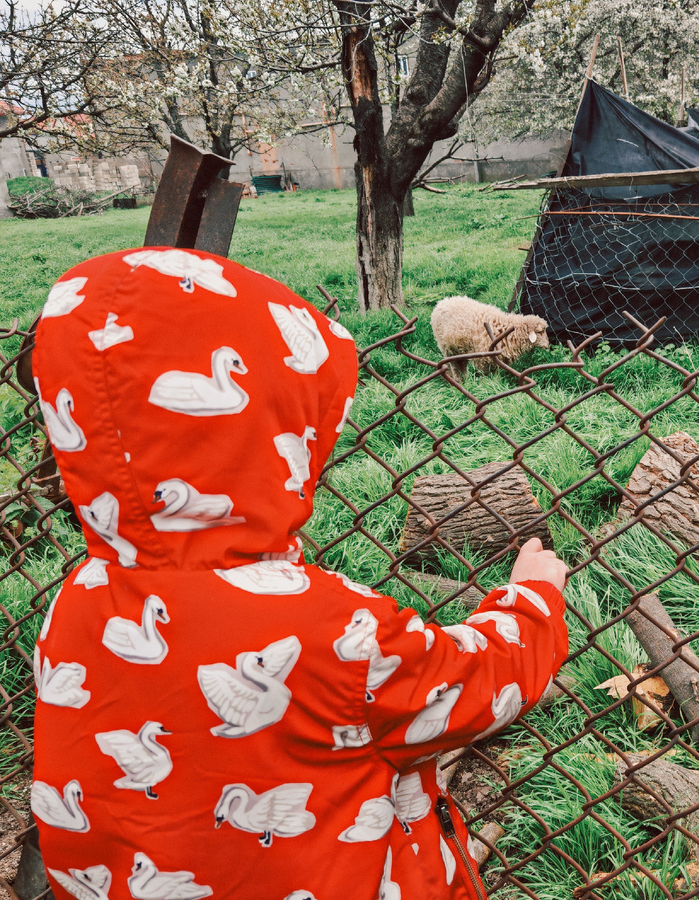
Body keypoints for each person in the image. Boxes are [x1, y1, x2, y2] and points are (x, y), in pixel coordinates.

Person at [30, 247, 568, 900]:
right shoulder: (331, 628)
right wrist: (532, 598)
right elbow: (475, 682)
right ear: (279, 431)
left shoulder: (78, 601)